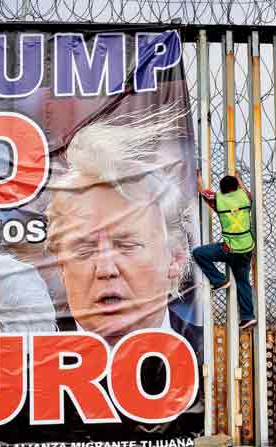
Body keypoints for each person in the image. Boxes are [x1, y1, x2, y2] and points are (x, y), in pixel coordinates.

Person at [46, 110, 202, 354]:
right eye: (84, 249)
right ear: (60, 265)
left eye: (126, 246)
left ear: (176, 258)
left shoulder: (212, 359)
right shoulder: (23, 367)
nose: (106, 269)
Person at [192, 172, 257, 329]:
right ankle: (248, 316)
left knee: (199, 253)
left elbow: (202, 192)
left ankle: (219, 280)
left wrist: (198, 177)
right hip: (247, 248)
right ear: (236, 187)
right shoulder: (246, 198)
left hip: (229, 249)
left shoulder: (219, 200)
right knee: (243, 282)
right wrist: (238, 177)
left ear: (221, 188)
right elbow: (244, 189)